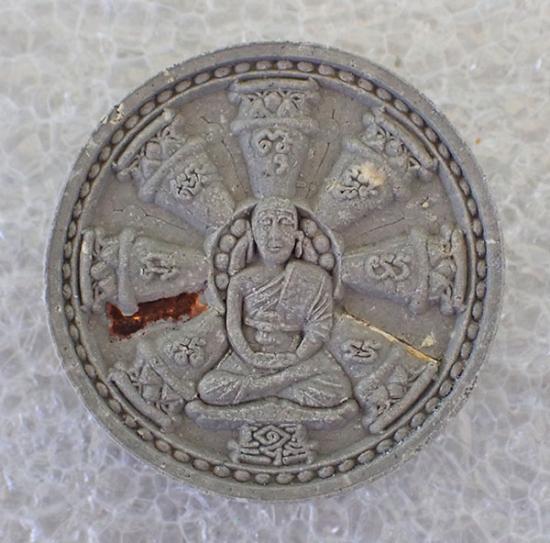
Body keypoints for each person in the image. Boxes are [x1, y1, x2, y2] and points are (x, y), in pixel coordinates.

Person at [197, 197, 352, 408]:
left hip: (298, 360)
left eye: (285, 223)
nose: (275, 235)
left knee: (339, 388)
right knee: (209, 387)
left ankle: (261, 389)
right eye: (266, 223)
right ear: (252, 233)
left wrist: (296, 357)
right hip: (250, 362)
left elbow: (319, 327)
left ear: (297, 233)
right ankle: (280, 387)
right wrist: (251, 357)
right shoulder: (241, 281)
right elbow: (233, 329)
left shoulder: (316, 278)